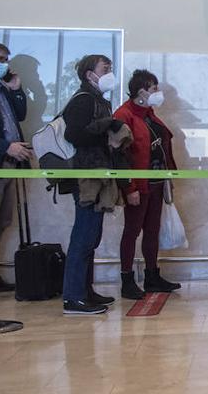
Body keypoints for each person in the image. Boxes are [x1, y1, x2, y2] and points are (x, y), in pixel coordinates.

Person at [61, 54, 124, 315]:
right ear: (90, 74)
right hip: (86, 174)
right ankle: (73, 296)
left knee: (92, 236)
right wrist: (106, 125)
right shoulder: (84, 100)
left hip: (99, 173)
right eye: (105, 69)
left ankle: (85, 290)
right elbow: (73, 133)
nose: (110, 72)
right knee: (83, 235)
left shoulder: (99, 100)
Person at [113, 70, 181, 300]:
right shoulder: (124, 115)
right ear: (141, 91)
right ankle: (127, 278)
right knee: (132, 231)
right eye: (154, 89)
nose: (157, 93)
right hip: (138, 184)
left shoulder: (150, 115)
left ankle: (152, 275)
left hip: (156, 182)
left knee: (152, 230)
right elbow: (120, 155)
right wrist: (128, 186)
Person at [0, 42, 33, 298]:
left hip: (10, 165)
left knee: (3, 220)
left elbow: (20, 115)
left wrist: (17, 90)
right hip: (3, 156)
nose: (4, 64)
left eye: (5, 59)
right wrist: (5, 147)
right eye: (0, 59)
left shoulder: (4, 88)